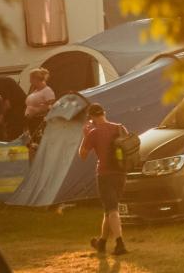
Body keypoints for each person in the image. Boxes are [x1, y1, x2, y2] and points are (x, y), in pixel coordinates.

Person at [77, 103, 129, 256]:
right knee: (109, 210)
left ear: (91, 118)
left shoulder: (93, 133)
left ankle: (120, 243)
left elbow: (82, 155)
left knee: (112, 210)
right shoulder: (120, 127)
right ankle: (102, 243)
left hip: (105, 175)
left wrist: (85, 136)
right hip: (121, 173)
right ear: (104, 113)